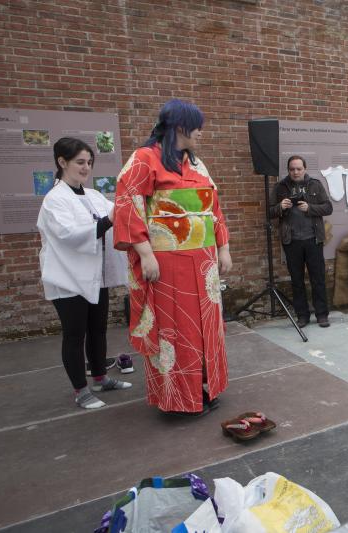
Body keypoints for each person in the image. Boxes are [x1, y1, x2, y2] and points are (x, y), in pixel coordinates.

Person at [114, 99, 232, 416]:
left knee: (206, 328)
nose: (200, 134)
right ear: (181, 127)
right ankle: (178, 397)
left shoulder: (196, 164)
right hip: (168, 263)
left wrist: (223, 247)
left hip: (203, 263)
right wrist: (145, 253)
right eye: (197, 128)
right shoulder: (144, 159)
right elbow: (127, 204)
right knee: (176, 330)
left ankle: (205, 387)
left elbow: (213, 208)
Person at [37, 137, 131, 409]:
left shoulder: (93, 196)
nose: (86, 167)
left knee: (98, 330)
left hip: (95, 276)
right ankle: (81, 390)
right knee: (75, 335)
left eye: (89, 162)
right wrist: (110, 219)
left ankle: (101, 377)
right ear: (62, 162)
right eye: (80, 162)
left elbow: (115, 221)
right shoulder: (54, 200)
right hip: (67, 279)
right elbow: (69, 236)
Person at [269, 156, 333, 328]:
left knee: (317, 278)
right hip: (292, 241)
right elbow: (269, 212)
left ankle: (321, 315)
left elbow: (328, 207)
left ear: (304, 168)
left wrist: (310, 208)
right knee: (297, 281)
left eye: (298, 168)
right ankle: (302, 316)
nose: (295, 172)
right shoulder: (281, 187)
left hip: (313, 239)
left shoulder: (315, 184)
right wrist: (280, 207)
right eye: (292, 169)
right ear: (288, 170)